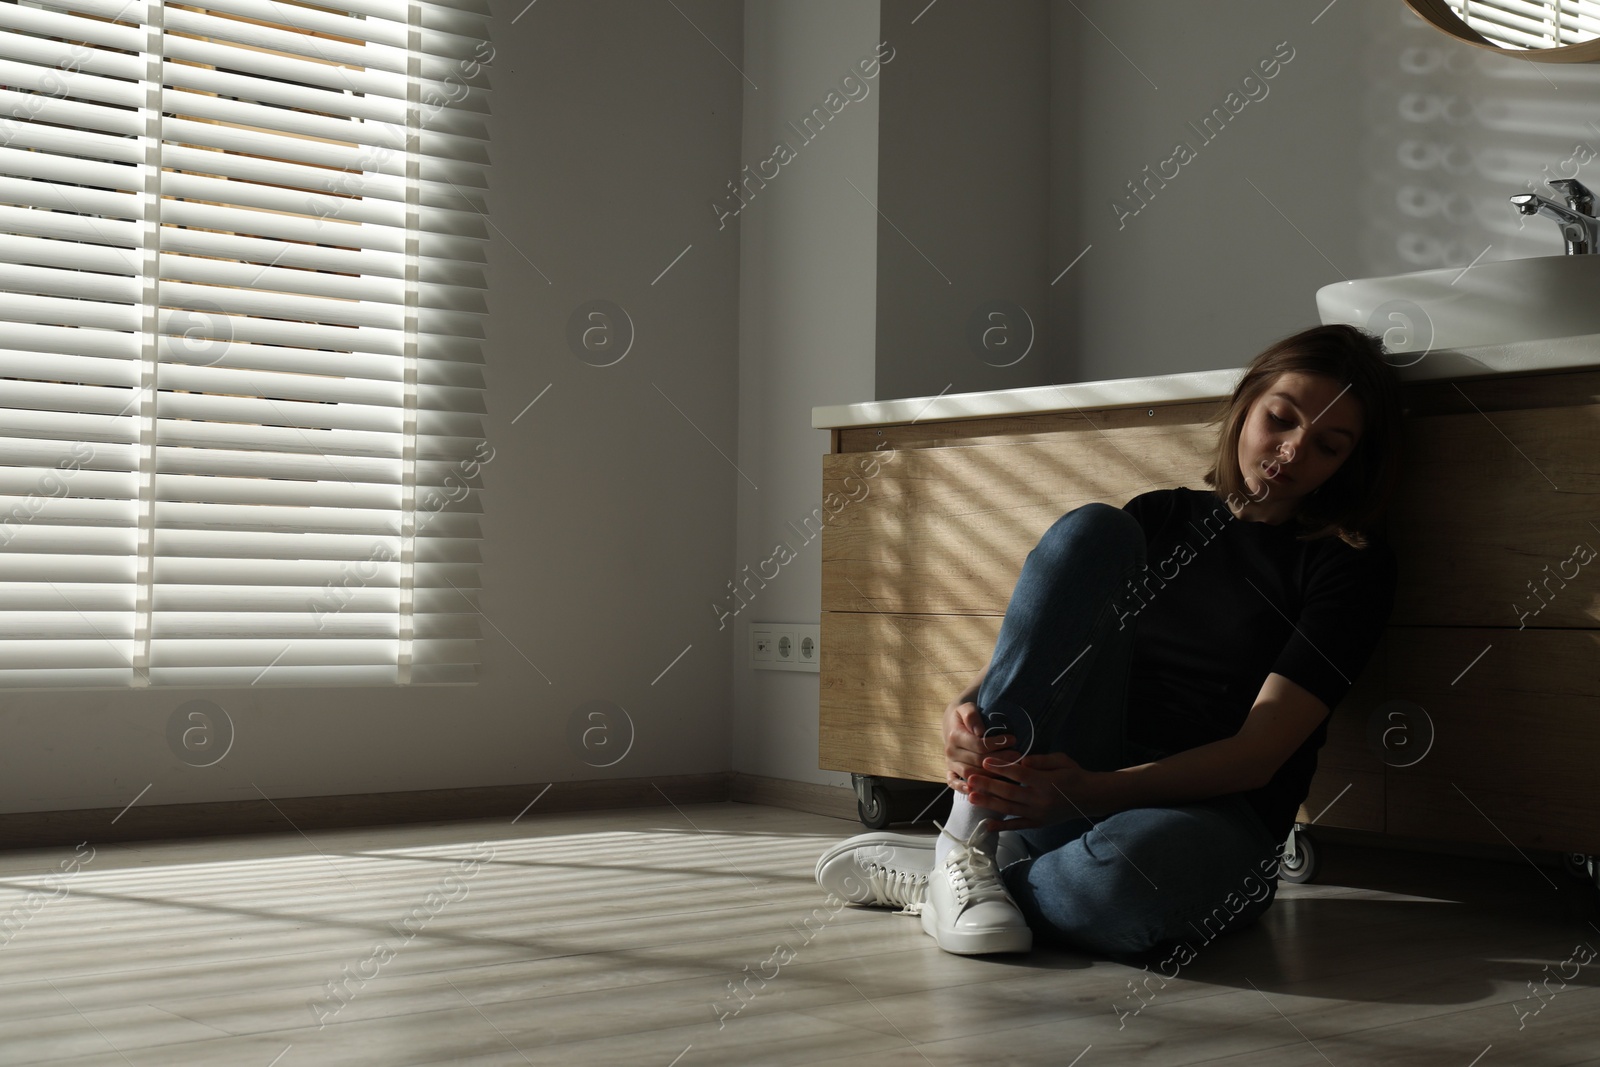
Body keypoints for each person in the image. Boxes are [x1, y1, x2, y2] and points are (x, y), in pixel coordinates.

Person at [815, 323, 1405, 960]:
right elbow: (1056, 650)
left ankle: (957, 886)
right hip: (1063, 781)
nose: (1291, 452)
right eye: (1281, 418)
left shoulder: (1349, 564)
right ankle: (969, 841)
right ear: (1247, 401)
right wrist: (964, 709)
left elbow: (1257, 756)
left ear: (1351, 463)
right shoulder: (1160, 518)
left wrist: (1089, 793)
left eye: (1327, 446)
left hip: (1206, 820)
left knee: (1127, 885)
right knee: (1092, 531)